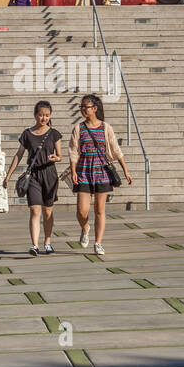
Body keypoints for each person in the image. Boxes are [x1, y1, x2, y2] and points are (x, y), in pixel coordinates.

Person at [69, 94, 132, 256]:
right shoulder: (79, 128)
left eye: (86, 107)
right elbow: (73, 152)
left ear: (95, 108)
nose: (83, 109)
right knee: (82, 211)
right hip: (83, 172)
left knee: (99, 209)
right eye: (81, 107)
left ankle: (98, 243)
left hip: (102, 172)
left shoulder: (106, 128)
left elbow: (116, 149)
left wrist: (125, 170)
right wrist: (73, 171)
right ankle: (85, 228)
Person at [3, 100, 62, 256]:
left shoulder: (54, 133)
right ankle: (34, 245)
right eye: (41, 115)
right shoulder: (27, 134)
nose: (44, 118)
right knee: (35, 210)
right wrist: (8, 175)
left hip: (49, 174)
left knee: (48, 211)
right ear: (35, 115)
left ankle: (47, 243)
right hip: (33, 175)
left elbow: (60, 156)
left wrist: (56, 158)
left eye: (47, 115)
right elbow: (19, 154)